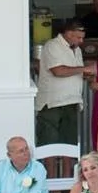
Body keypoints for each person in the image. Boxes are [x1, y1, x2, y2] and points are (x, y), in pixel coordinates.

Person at [37, 16, 86, 151]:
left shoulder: (77, 50)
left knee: (69, 146)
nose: (81, 41)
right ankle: (50, 173)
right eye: (78, 37)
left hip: (71, 101)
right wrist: (85, 69)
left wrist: (89, 74)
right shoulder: (52, 45)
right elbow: (57, 71)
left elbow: (76, 72)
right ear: (69, 34)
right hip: (53, 104)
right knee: (49, 146)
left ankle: (67, 173)